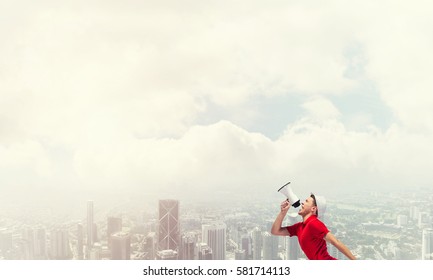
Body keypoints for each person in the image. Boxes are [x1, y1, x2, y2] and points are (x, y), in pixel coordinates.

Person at [271, 193, 356, 260]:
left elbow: (336, 242)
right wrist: (283, 212)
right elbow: (275, 231)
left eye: (306, 201)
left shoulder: (314, 223)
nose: (302, 203)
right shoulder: (299, 227)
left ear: (313, 209)